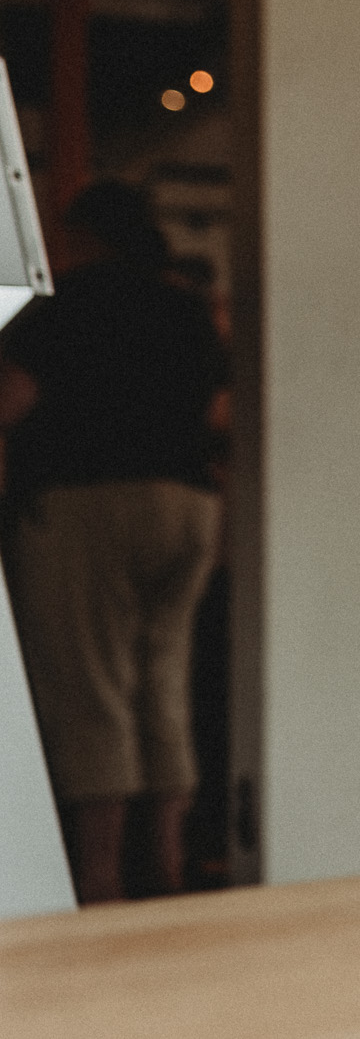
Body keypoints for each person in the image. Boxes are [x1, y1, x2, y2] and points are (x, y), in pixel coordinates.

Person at [2, 180, 229, 902]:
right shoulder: (184, 308)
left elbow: (12, 399)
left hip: (89, 500)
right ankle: (164, 868)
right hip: (188, 505)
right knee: (163, 683)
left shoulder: (62, 304)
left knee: (91, 687)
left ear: (81, 234)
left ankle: (100, 880)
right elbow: (217, 407)